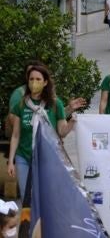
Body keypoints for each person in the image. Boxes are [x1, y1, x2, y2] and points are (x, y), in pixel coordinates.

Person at [8, 65, 74, 199]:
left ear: (45, 82)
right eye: (31, 79)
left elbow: (62, 131)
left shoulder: (56, 104)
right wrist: (10, 161)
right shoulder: (21, 104)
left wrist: (73, 122)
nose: (34, 82)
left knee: (45, 198)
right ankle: (29, 220)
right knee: (27, 198)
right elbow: (15, 135)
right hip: (24, 157)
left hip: (47, 158)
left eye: (38, 79)